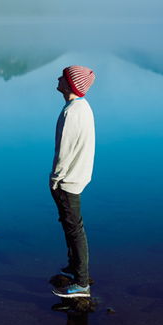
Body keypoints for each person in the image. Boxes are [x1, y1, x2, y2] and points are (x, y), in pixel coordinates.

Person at [50, 65, 96, 298]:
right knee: (71, 224)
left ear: (70, 84)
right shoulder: (83, 108)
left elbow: (64, 152)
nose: (58, 79)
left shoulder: (72, 112)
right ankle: (76, 266)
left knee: (74, 228)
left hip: (68, 180)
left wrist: (55, 179)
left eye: (63, 76)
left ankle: (81, 283)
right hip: (79, 175)